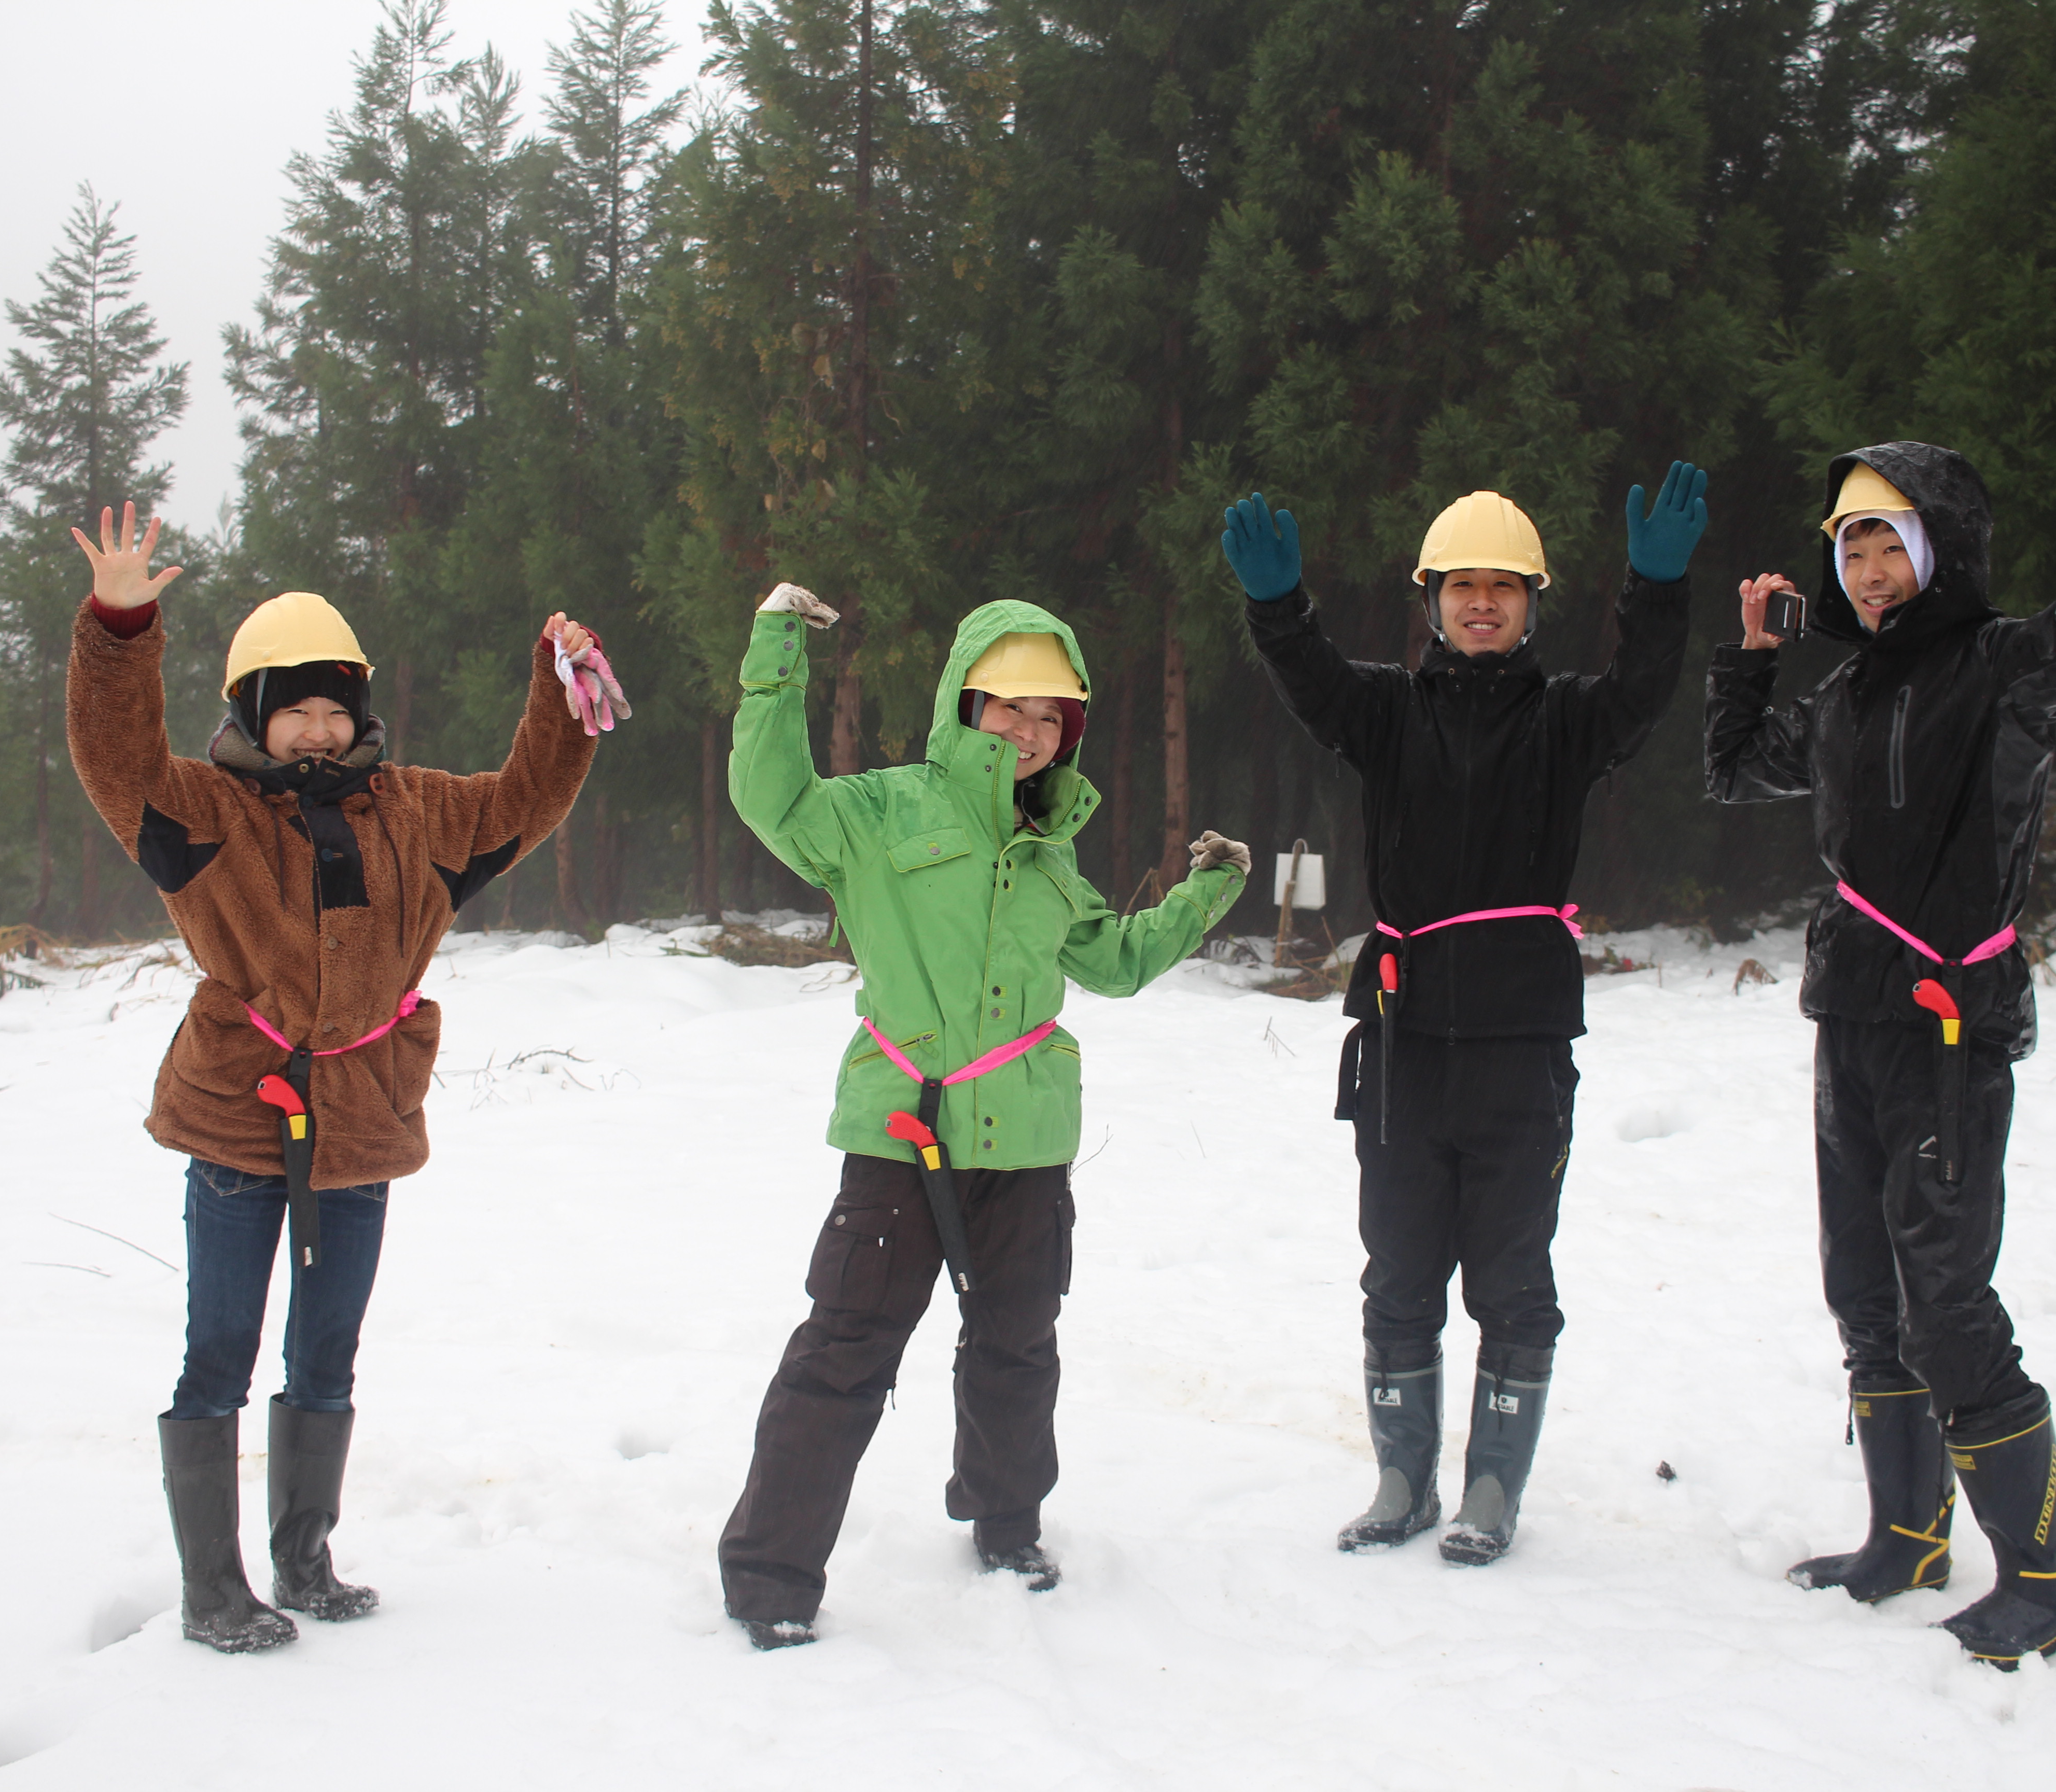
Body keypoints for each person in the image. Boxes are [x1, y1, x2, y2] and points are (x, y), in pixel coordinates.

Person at [1704, 316, 2056, 1667]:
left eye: (1887, 541)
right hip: (1846, 1019)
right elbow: (1740, 771)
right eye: (1849, 546)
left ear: (1942, 550)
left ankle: (2046, 1580)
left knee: (1946, 1297)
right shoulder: (1853, 692)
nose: (1863, 568)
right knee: (1863, 1287)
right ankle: (1904, 1538)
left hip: (1947, 1028)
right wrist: (1750, 652)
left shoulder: (2004, 669)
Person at [67, 505, 617, 1651]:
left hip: (361, 1116)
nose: (318, 731)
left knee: (327, 1347)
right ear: (254, 718)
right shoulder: (200, 813)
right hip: (238, 1117)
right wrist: (121, 627)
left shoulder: (417, 813)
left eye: (334, 707)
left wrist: (562, 693)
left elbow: (525, 798)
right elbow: (112, 756)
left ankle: (304, 1558)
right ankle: (213, 1589)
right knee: (217, 1347)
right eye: (293, 709)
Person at [716, 584, 1248, 1649]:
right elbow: (770, 796)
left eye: (1053, 717)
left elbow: (1121, 961)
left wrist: (1204, 895)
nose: (1031, 732)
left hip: (1029, 1143)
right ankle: (770, 1575)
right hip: (900, 1131)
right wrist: (777, 650)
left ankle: (1006, 1522)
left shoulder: (1054, 857)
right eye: (1011, 706)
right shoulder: (880, 813)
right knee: (846, 1346)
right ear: (966, 702)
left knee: (1017, 1343)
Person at [1223, 467, 1705, 1563]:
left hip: (1521, 1046)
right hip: (1401, 1044)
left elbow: (1642, 690)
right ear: (1429, 600)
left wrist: (1660, 589)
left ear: (1534, 602)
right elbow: (1307, 678)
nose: (1481, 603)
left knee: (1510, 1276)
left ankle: (1492, 1485)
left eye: (1503, 586)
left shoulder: (1569, 720)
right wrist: (1276, 607)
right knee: (1397, 1269)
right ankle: (1401, 1475)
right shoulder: (1387, 712)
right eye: (1460, 585)